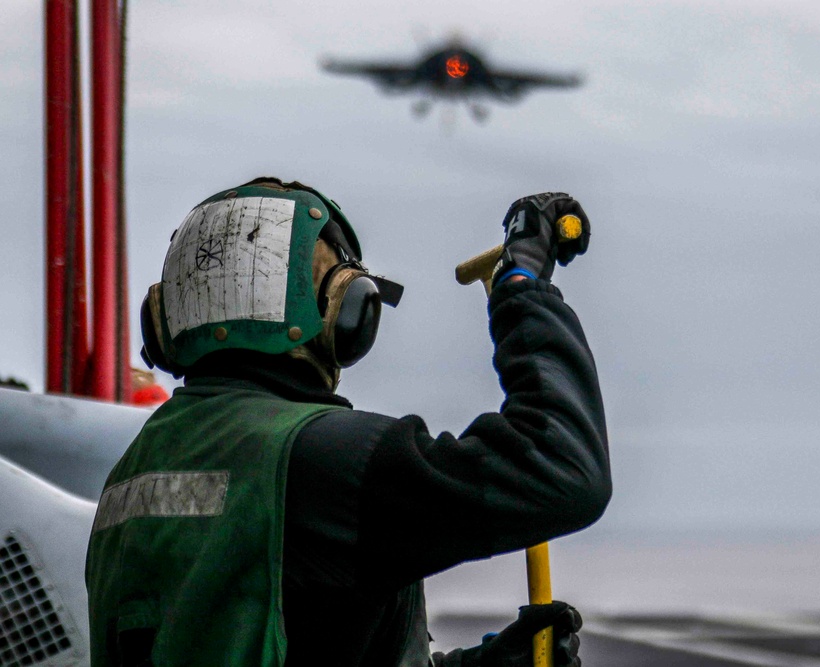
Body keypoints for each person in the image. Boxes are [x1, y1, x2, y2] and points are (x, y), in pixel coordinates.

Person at [85, 178, 610, 666]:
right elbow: (561, 469)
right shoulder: (315, 461)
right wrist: (522, 285)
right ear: (346, 311)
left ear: (166, 320)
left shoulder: (135, 470)